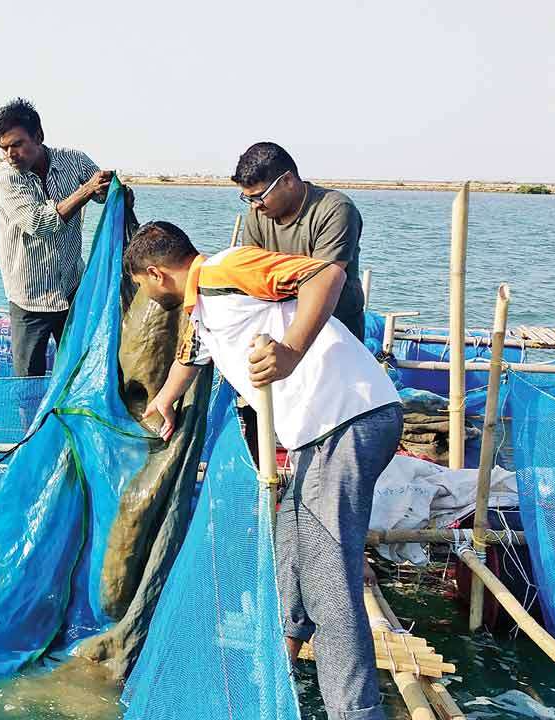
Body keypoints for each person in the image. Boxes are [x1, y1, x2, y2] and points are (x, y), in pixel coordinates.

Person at [125, 220, 402, 720]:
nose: (145, 296)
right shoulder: (204, 307)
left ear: (155, 273)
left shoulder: (227, 268)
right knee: (292, 547)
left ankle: (355, 712)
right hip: (317, 436)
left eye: (141, 287)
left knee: (327, 579)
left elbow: (327, 276)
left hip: (346, 420)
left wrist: (291, 350)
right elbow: (194, 355)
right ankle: (282, 662)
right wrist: (164, 402)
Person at [0, 98, 112, 378]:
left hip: (71, 287)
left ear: (39, 137)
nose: (10, 154)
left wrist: (108, 189)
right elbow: (39, 222)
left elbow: (102, 191)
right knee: (27, 381)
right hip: (30, 297)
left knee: (78, 370)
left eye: (17, 144)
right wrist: (86, 192)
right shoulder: (6, 178)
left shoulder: (75, 160)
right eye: (3, 148)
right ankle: (29, 424)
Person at [233, 142, 368, 341]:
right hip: (277, 327)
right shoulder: (258, 214)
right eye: (248, 199)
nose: (254, 206)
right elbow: (250, 275)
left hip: (334, 331)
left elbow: (322, 284)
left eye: (259, 197)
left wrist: (290, 351)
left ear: (287, 180)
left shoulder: (336, 210)